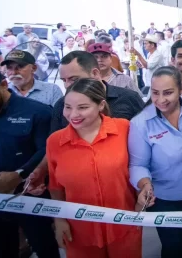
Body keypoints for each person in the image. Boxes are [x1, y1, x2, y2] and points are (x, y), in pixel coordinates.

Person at [0, 63, 60, 258]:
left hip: (31, 198)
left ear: (4, 85)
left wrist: (19, 174)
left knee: (46, 249)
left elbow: (47, 150)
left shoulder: (38, 112)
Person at [25, 51, 144, 200]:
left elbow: (146, 138)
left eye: (73, 79)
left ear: (95, 73)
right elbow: (54, 150)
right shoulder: (61, 105)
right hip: (80, 192)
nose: (68, 85)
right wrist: (41, 171)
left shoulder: (129, 99)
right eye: (64, 80)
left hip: (123, 191)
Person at [47, 79, 141, 258]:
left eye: (82, 107)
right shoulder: (54, 141)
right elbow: (55, 187)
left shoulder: (124, 129)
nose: (73, 114)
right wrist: (59, 220)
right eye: (68, 107)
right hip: (78, 231)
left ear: (101, 105)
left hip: (125, 226)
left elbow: (138, 167)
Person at [129, 66, 182, 258]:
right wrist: (144, 185)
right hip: (165, 197)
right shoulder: (141, 123)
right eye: (155, 93)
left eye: (168, 93)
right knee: (172, 247)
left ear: (181, 90)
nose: (161, 99)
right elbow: (138, 165)